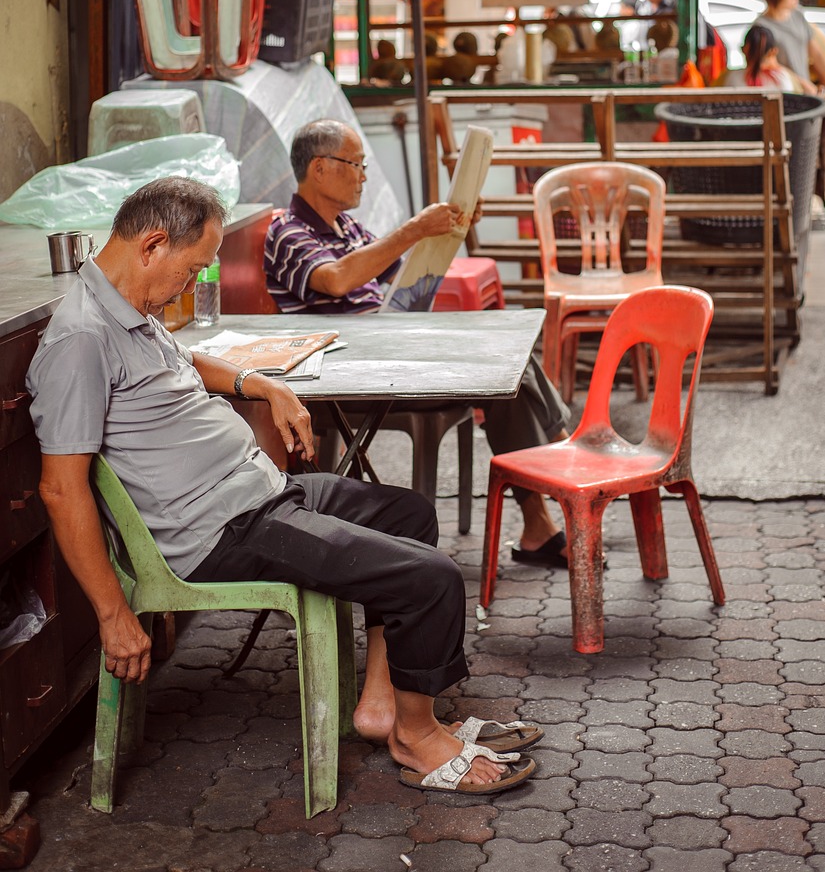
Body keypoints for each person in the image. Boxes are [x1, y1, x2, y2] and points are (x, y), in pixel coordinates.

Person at [28, 178, 537, 796]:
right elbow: (61, 489)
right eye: (190, 271)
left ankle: (389, 711)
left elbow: (186, 364)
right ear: (152, 244)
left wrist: (260, 382)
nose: (190, 288)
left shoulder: (132, 305)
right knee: (430, 579)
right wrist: (112, 614)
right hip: (223, 531)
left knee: (408, 514)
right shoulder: (81, 339)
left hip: (261, 493)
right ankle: (418, 740)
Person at [264, 120, 572, 567]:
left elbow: (404, 274)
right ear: (320, 168)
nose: (364, 176)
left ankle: (549, 502)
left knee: (510, 365)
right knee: (506, 369)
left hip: (390, 351)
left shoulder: (347, 228)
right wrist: (413, 228)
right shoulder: (289, 232)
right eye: (356, 165)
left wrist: (449, 228)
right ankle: (565, 476)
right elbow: (335, 280)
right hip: (356, 374)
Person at [715, 25, 817, 93]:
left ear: (744, 50)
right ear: (773, 52)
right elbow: (812, 92)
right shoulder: (786, 78)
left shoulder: (729, 77)